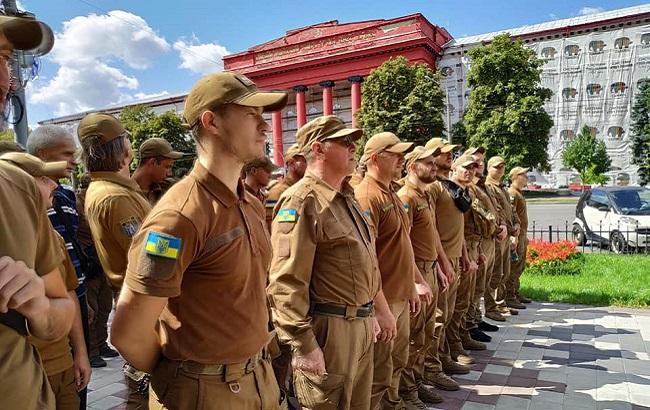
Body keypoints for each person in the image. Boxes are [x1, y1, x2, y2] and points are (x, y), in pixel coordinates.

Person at [110, 71, 288, 410]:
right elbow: (128, 334)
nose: (264, 126)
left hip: (257, 378)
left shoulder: (248, 202)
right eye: (252, 115)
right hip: (205, 392)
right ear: (212, 123)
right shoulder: (180, 217)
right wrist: (181, 380)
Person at [267, 115, 380, 410]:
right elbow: (285, 282)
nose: (354, 147)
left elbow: (366, 260)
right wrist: (304, 345)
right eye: (345, 142)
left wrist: (373, 312)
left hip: (360, 322)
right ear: (318, 148)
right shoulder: (301, 201)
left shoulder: (346, 197)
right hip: (330, 330)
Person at [0, 14, 76, 410]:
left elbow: (62, 308)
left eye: (4, 57)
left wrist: (39, 306)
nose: (3, 75)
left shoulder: (16, 187)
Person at [1, 153, 90, 410]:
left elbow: (66, 296)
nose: (54, 185)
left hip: (52, 368)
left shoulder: (17, 195)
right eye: (43, 178)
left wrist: (38, 304)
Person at [355, 132, 433, 409]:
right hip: (383, 298)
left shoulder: (389, 191)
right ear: (375, 159)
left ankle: (394, 402)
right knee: (378, 370)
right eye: (395, 154)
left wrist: (413, 283)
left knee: (396, 361)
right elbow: (368, 257)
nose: (402, 159)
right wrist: (380, 308)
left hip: (398, 295)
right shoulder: (367, 196)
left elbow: (402, 245)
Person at [79, 112, 152, 409]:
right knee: (145, 383)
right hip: (143, 298)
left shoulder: (117, 191)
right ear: (121, 148)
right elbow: (148, 253)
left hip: (139, 296)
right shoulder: (114, 197)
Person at [27, 125, 96, 406]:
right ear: (43, 155)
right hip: (43, 336)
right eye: (67, 153)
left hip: (72, 300)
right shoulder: (23, 209)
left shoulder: (66, 197)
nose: (74, 161)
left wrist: (83, 297)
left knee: (77, 387)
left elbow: (70, 263)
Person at [397, 146, 451, 409]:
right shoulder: (406, 197)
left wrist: (440, 266)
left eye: (433, 163)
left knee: (427, 333)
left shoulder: (426, 195)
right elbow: (402, 243)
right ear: (412, 167)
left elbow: (432, 235)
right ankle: (407, 392)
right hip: (415, 270)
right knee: (413, 336)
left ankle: (417, 383)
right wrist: (416, 279)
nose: (433, 167)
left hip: (429, 268)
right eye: (427, 163)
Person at [422, 138, 472, 381]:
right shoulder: (431, 188)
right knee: (437, 318)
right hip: (439, 261)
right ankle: (432, 368)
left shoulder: (448, 186)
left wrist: (463, 255)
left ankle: (442, 358)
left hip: (452, 259)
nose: (448, 155)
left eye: (451, 152)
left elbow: (458, 226)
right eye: (443, 153)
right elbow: (429, 229)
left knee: (447, 313)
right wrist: (442, 262)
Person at [76, 173, 115, 368]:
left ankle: (102, 344)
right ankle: (92, 351)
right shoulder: (78, 203)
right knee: (92, 309)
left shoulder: (101, 199)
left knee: (105, 306)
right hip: (89, 262)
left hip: (103, 262)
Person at [464, 147, 504, 337]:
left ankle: (476, 319)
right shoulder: (468, 187)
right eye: (475, 162)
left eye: (481, 162)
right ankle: (469, 324)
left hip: (488, 240)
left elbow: (496, 210)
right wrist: (497, 228)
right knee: (473, 286)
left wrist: (503, 225)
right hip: (477, 240)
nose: (479, 165)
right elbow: (480, 214)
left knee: (482, 283)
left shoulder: (484, 186)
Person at [485, 156, 521, 319]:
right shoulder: (488, 187)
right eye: (496, 167)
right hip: (499, 235)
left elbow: (511, 210)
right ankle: (493, 305)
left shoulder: (502, 188)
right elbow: (496, 211)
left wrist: (516, 224)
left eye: (502, 167)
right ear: (489, 168)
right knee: (496, 273)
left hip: (507, 234)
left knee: (505, 271)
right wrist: (503, 227)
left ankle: (501, 302)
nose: (500, 170)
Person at [132, 138, 185, 205]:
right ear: (152, 162)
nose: (169, 173)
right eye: (167, 167)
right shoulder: (123, 194)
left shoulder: (169, 188)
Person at [507, 166, 532, 305]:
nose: (526, 178)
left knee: (520, 266)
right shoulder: (512, 193)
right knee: (514, 266)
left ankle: (515, 292)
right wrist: (514, 236)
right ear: (515, 177)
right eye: (523, 175)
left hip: (522, 234)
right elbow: (511, 215)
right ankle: (509, 296)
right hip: (517, 235)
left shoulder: (518, 193)